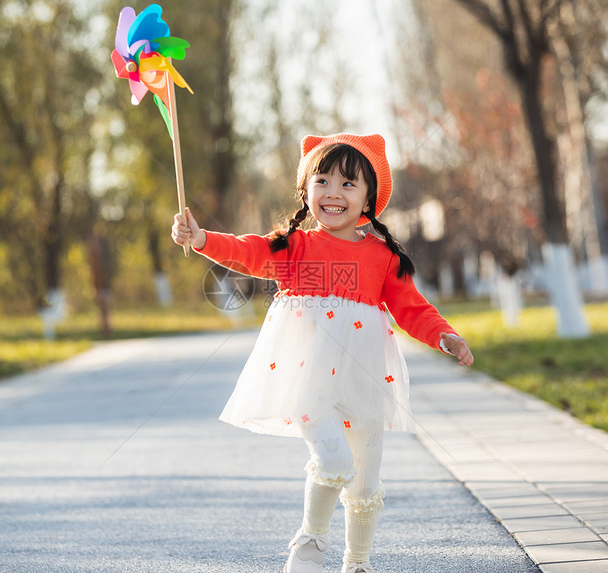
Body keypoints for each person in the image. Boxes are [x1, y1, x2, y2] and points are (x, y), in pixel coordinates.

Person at [171, 133, 473, 573]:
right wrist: (201, 238)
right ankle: (310, 543)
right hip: (306, 378)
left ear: (369, 197)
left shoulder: (384, 256)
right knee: (334, 459)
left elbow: (412, 308)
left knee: (366, 484)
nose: (333, 193)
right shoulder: (294, 246)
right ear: (306, 190)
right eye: (323, 181)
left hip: (367, 379)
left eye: (348, 184)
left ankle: (359, 563)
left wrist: (444, 335)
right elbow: (247, 251)